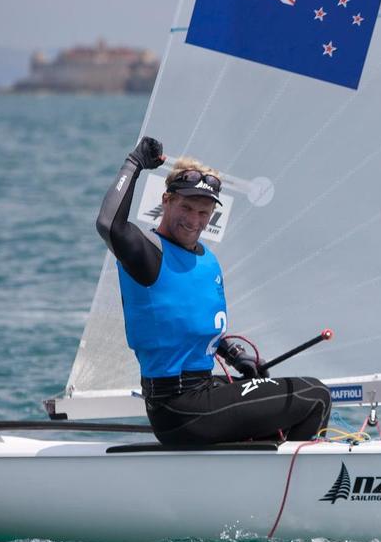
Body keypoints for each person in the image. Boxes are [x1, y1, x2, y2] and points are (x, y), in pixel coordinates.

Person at [96, 136, 331, 445]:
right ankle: (290, 479)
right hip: (178, 408)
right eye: (186, 207)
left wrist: (234, 355)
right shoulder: (150, 254)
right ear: (166, 201)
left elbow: (191, 322)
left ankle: (261, 467)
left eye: (204, 212)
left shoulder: (207, 261)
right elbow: (109, 224)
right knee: (314, 396)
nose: (194, 220)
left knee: (288, 401)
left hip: (202, 392)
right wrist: (135, 163)